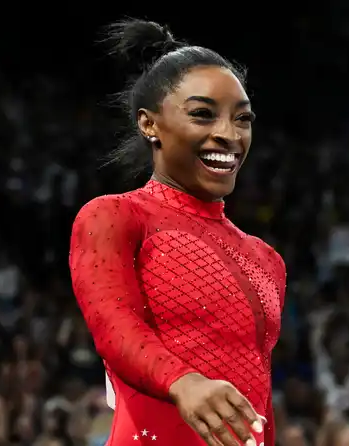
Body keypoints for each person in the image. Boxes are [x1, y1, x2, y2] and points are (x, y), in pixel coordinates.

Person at [69, 19, 286, 446]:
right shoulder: (115, 216)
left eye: (242, 119)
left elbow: (258, 397)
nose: (228, 135)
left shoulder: (267, 259)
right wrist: (183, 383)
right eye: (203, 114)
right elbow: (115, 329)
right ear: (149, 125)